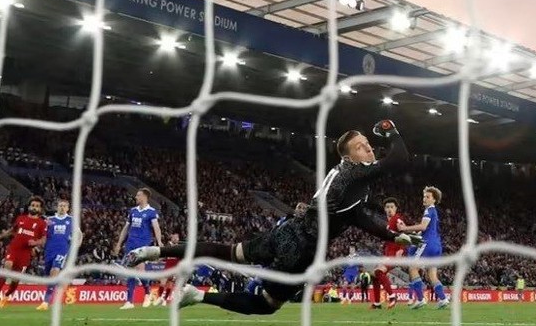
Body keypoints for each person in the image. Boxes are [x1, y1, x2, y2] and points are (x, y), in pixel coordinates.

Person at [126, 120, 422, 315]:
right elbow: (400, 158)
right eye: (361, 145)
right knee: (266, 305)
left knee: (230, 252)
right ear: (347, 156)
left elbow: (358, 217)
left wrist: (393, 235)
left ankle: (153, 251)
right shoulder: (355, 171)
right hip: (303, 248)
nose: (369, 146)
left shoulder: (351, 179)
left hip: (290, 231)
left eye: (368, 142)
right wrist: (391, 130)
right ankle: (197, 296)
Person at [0, 196, 47, 308]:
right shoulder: (21, 218)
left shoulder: (41, 223)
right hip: (14, 248)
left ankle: (7, 296)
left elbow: (44, 239)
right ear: (29, 206)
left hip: (25, 253)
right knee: (7, 267)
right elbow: (12, 231)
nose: (34, 207)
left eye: (37, 206)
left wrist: (35, 243)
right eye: (33, 205)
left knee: (15, 278)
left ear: (40, 209)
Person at [397, 186, 450, 309]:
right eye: (424, 196)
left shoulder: (428, 210)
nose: (424, 199)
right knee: (432, 274)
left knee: (412, 268)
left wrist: (405, 228)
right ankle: (443, 299)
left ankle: (420, 299)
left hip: (427, 244)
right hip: (437, 245)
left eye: (428, 197)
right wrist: (412, 233)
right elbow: (425, 231)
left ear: (434, 200)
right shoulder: (435, 212)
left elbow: (423, 227)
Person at [113, 188, 163, 309]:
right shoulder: (133, 211)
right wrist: (119, 243)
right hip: (131, 243)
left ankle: (147, 292)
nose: (136, 197)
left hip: (144, 243)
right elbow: (126, 228)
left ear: (144, 197)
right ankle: (130, 301)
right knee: (130, 270)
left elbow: (156, 228)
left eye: (138, 195)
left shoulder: (151, 212)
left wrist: (160, 242)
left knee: (140, 270)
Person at [37, 198, 81, 311]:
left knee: (54, 271)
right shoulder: (49, 220)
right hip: (49, 251)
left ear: (67, 208)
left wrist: (77, 246)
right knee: (50, 275)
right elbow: (42, 234)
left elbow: (79, 234)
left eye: (64, 206)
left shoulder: (71, 220)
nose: (62, 207)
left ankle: (45, 302)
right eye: (60, 205)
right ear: (57, 207)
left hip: (62, 250)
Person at [370, 197, 402, 309]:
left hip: (396, 253)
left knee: (379, 271)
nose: (389, 209)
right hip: (388, 253)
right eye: (387, 207)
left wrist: (401, 249)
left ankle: (392, 297)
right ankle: (377, 303)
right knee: (374, 275)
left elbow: (404, 235)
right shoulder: (387, 222)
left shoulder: (397, 219)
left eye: (392, 207)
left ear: (396, 208)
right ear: (384, 209)